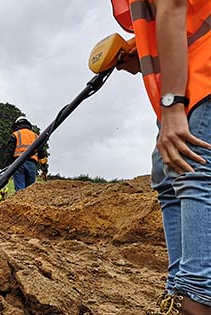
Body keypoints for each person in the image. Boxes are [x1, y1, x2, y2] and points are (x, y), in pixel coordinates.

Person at [111, 0, 211, 313]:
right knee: (166, 173)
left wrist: (172, 104)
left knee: (192, 167)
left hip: (200, 74)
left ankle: (196, 297)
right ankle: (178, 289)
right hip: (188, 76)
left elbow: (175, 5)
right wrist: (138, 51)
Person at [4, 116, 48, 192]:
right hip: (32, 165)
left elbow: (9, 152)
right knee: (30, 190)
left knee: (20, 190)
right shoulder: (35, 136)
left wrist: (8, 166)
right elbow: (41, 153)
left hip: (18, 164)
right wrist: (44, 167)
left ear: (17, 125)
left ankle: (20, 203)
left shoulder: (15, 134)